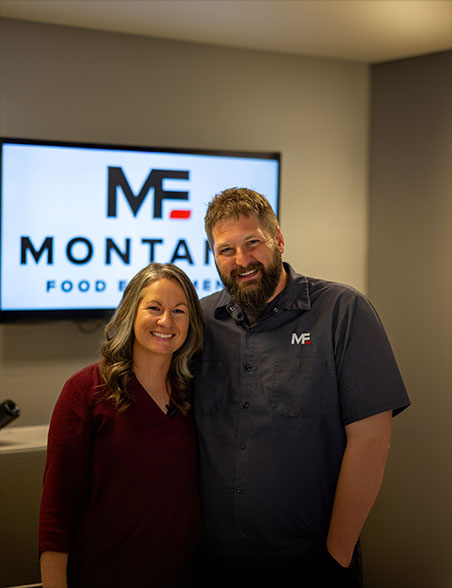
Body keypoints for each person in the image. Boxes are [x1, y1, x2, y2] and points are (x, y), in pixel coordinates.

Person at [192, 187, 410, 587]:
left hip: (311, 564)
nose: (241, 261)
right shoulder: (200, 321)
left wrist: (335, 560)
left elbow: (372, 443)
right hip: (214, 565)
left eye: (252, 242)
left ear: (277, 239)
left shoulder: (343, 312)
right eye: (226, 250)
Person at [39, 262, 204, 588]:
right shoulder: (85, 391)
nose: (166, 321)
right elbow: (56, 513)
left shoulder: (197, 393)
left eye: (179, 311)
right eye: (154, 308)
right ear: (131, 312)